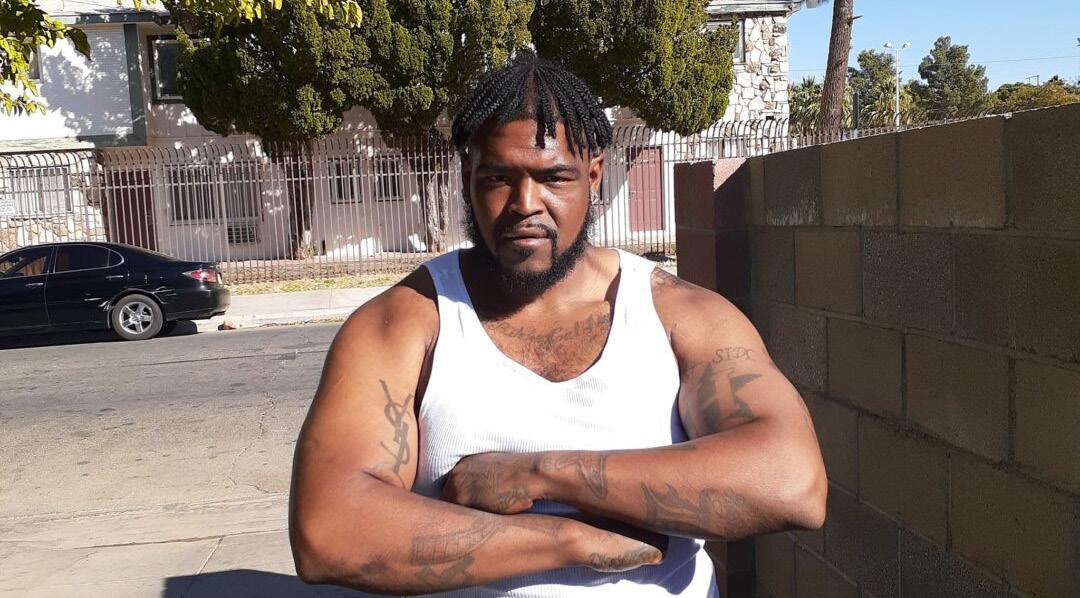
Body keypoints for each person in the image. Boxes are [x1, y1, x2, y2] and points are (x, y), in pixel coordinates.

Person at [289, 51, 826, 597]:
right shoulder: (405, 322)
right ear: (467, 176)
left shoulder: (677, 315)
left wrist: (541, 474)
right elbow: (327, 530)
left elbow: (793, 481)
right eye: (498, 177)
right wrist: (569, 541)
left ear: (593, 174)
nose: (525, 204)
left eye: (554, 177)